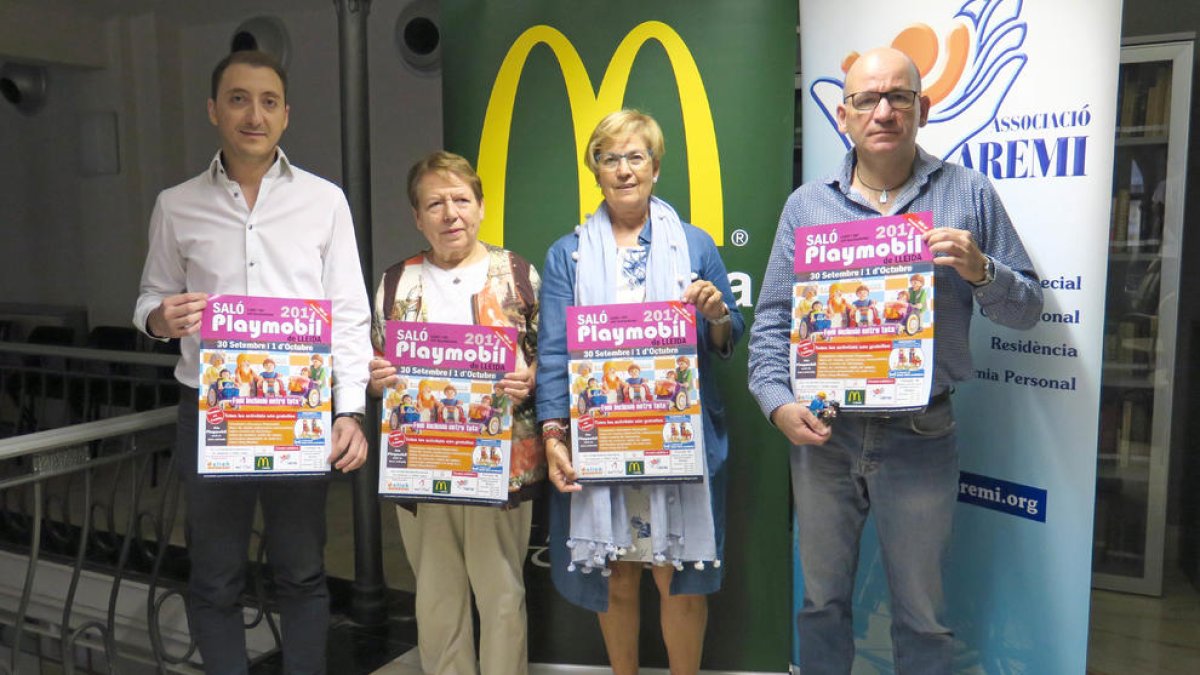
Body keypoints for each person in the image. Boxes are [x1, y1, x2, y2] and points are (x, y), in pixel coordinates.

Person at [748, 47, 1043, 674]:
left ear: (923, 107)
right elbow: (772, 320)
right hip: (823, 434)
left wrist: (981, 269)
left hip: (921, 430)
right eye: (866, 99)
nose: (883, 111)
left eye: (898, 97)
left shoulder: (968, 194)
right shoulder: (808, 207)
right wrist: (777, 404)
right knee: (822, 602)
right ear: (843, 115)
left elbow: (1027, 309)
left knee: (922, 614)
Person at [132, 49, 372, 674]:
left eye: (268, 102)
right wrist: (160, 319)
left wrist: (349, 410)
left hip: (299, 412)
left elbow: (348, 312)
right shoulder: (175, 204)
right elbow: (150, 298)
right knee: (214, 577)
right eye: (238, 98)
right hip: (210, 414)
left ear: (286, 115)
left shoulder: (325, 202)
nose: (253, 114)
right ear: (214, 110)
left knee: (301, 572)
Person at [537, 109, 744, 675]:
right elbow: (554, 353)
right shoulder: (568, 254)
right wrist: (554, 436)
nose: (623, 170)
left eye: (635, 157)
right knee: (619, 573)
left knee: (679, 579)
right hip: (602, 438)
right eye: (610, 158)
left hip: (679, 440)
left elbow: (728, 337)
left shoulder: (695, 245)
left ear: (655, 167)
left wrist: (717, 313)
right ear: (595, 171)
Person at [366, 151, 542, 675]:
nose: (451, 214)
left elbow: (551, 361)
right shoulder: (397, 282)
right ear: (418, 217)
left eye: (461, 200)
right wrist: (375, 381)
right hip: (421, 466)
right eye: (435, 204)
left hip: (500, 466)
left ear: (481, 206)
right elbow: (374, 364)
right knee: (438, 600)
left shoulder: (516, 275)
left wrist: (529, 377)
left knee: (502, 595)